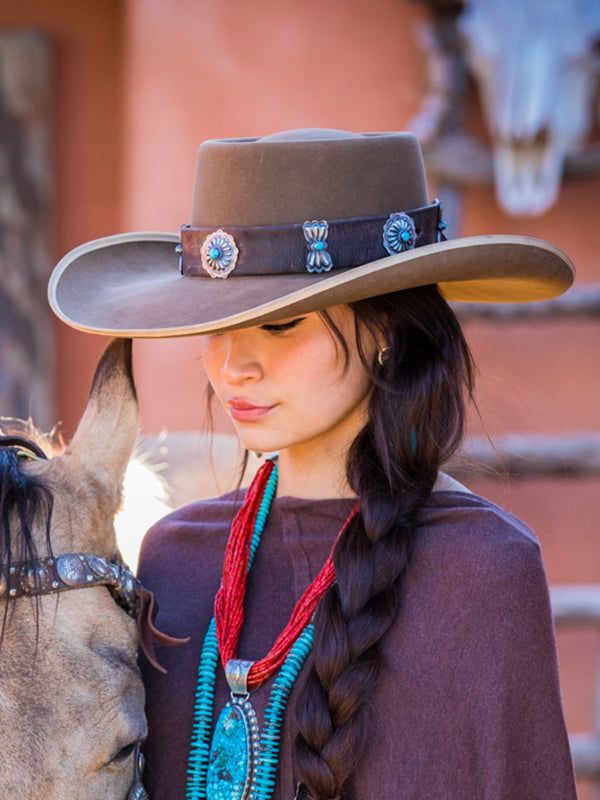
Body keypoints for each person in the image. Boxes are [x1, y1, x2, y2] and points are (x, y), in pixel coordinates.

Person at [48, 128, 578, 800]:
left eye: (279, 325)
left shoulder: (480, 571)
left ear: (385, 330)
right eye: (217, 326)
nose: (232, 365)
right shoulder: (176, 560)